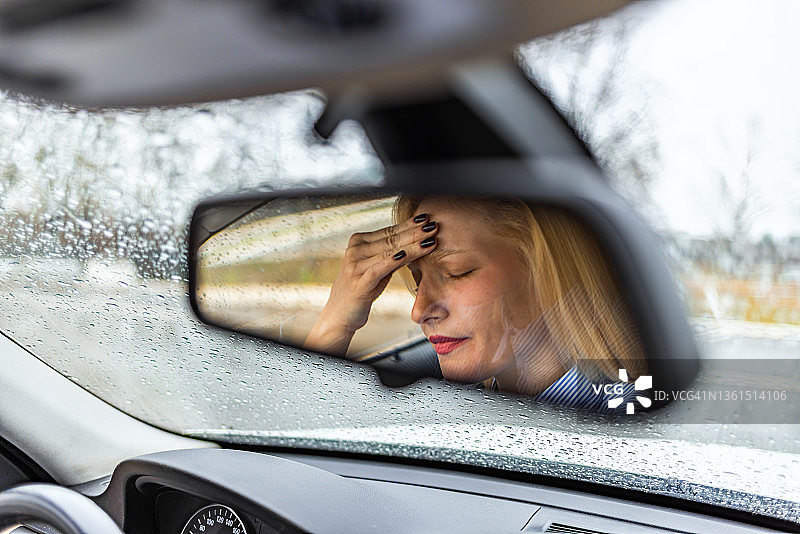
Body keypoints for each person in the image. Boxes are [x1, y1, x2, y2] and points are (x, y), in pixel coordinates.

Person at [304, 195, 647, 412]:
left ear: (550, 270)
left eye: (456, 272)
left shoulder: (633, 416)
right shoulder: (442, 410)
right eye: (417, 279)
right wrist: (336, 322)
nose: (418, 311)